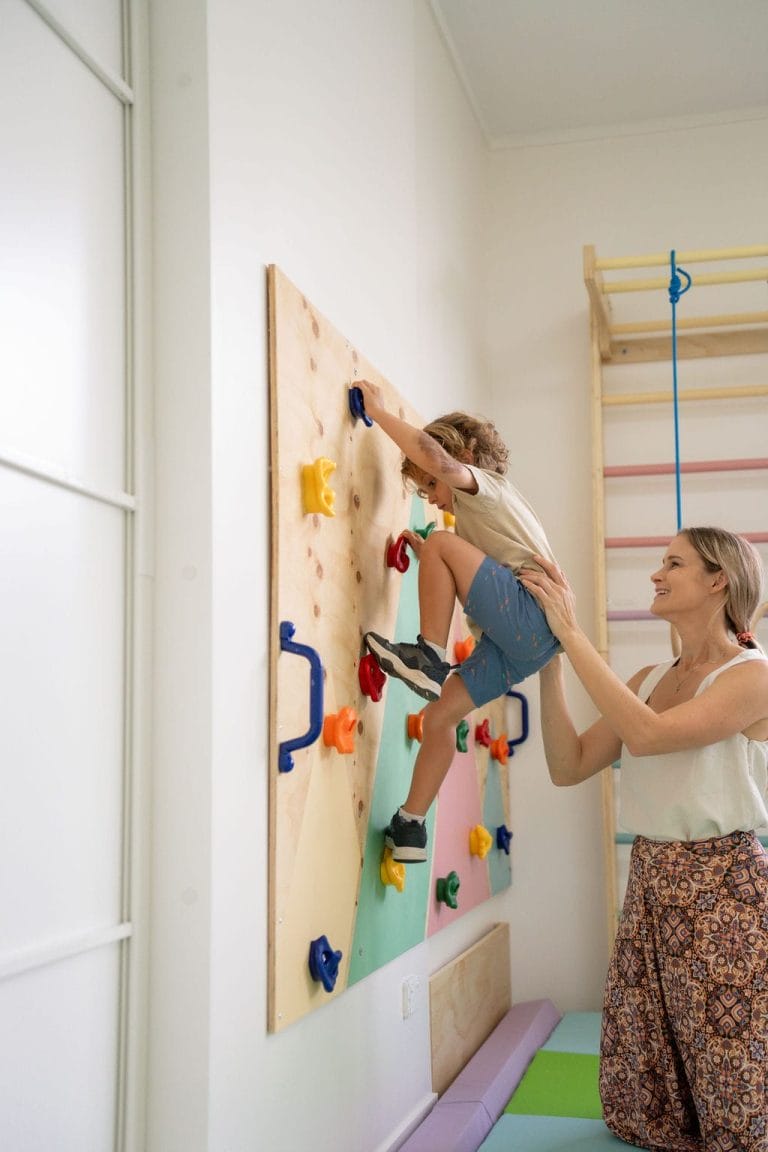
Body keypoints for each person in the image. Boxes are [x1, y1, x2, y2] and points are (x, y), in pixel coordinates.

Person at [519, 526, 768, 1152]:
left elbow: (651, 737)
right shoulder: (648, 677)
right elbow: (569, 765)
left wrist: (572, 632)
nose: (656, 574)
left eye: (674, 563)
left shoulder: (752, 675)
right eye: (660, 563)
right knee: (649, 1073)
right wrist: (550, 664)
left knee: (733, 1079)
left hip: (724, 890)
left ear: (720, 580)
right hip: (653, 881)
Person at [357, 378, 560, 862]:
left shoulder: (485, 487)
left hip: (527, 616)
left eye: (430, 482)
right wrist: (434, 562)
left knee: (444, 544)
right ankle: (410, 824)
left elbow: (438, 458)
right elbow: (480, 565)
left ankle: (427, 657)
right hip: (526, 645)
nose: (430, 494)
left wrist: (379, 413)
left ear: (465, 456)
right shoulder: (483, 515)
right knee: (440, 715)